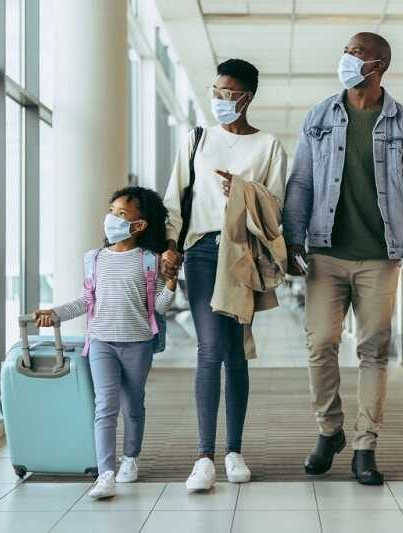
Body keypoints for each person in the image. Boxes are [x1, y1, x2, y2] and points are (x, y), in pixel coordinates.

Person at [282, 32, 403, 485]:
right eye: (345, 51)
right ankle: (329, 430)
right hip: (326, 254)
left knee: (374, 351)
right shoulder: (319, 116)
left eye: (356, 53)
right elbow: (299, 183)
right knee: (320, 346)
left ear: (379, 65)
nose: (347, 58)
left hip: (381, 256)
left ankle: (364, 445)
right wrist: (292, 239)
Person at [162, 59, 287, 491]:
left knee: (235, 351)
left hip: (243, 254)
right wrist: (170, 248)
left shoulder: (269, 146)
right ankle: (203, 457)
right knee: (209, 347)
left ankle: (234, 451)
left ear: (246, 97)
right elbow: (175, 199)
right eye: (214, 91)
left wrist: (245, 193)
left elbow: (276, 210)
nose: (218, 99)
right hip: (200, 253)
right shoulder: (197, 138)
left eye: (226, 93)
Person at [33, 186, 176, 499]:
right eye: (111, 211)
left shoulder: (149, 261)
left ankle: (131, 458)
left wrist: (173, 283)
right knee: (105, 406)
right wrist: (54, 313)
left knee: (133, 403)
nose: (111, 218)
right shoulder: (93, 259)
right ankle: (106, 473)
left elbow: (161, 308)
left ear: (139, 225)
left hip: (138, 343)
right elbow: (86, 301)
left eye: (121, 214)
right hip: (100, 343)